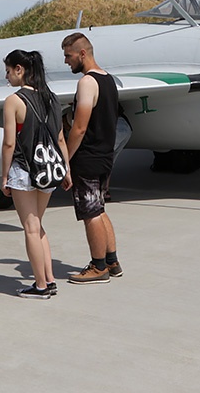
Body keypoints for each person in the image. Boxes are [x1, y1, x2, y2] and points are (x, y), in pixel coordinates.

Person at [0, 50, 71, 299]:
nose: (7, 76)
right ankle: (49, 279)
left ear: (20, 69)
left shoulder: (14, 101)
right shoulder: (52, 97)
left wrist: (4, 176)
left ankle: (40, 285)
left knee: (30, 228)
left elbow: (9, 143)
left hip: (25, 170)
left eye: (8, 71)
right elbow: (60, 137)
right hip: (50, 169)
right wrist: (67, 170)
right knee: (38, 226)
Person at [61, 32, 122, 284]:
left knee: (90, 213)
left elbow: (79, 127)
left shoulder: (87, 82)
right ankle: (111, 260)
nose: (66, 61)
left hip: (88, 157)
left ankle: (98, 267)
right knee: (99, 208)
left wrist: (66, 160)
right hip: (105, 155)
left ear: (82, 54)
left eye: (68, 55)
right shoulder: (109, 80)